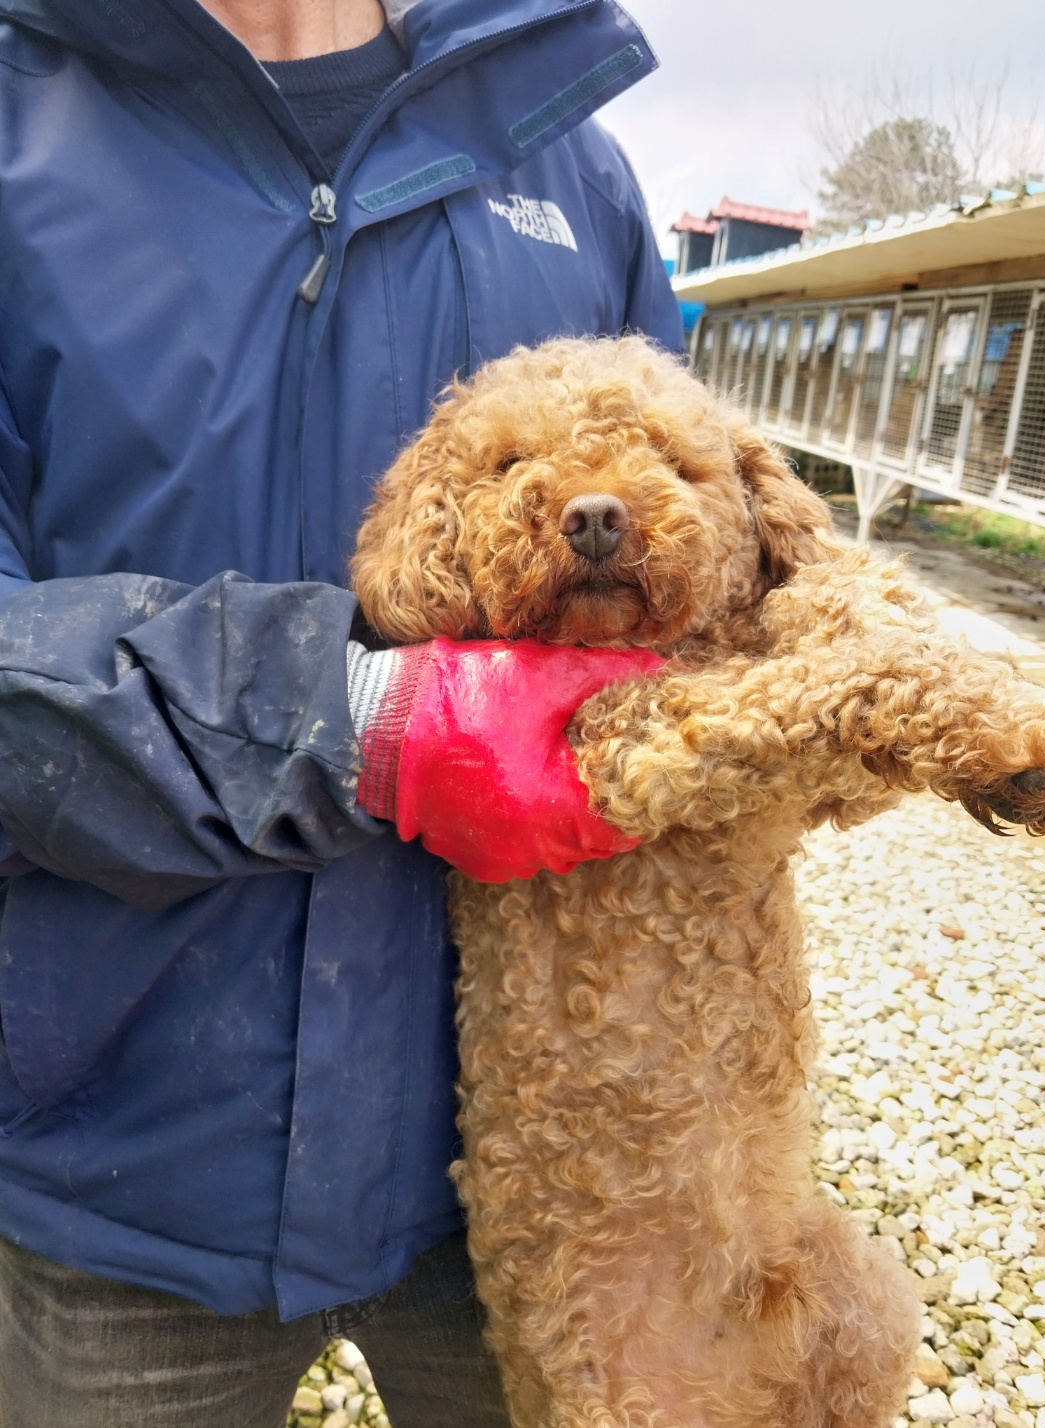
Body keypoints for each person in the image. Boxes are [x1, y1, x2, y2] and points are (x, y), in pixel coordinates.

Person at [0, 0, 683, 1422]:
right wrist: (352, 715)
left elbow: (719, 557)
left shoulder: (573, 165)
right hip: (111, 1171)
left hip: (530, 1169)